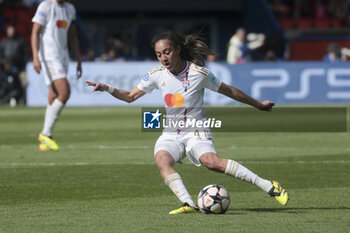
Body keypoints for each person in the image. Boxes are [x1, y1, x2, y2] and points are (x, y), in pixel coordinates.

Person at [87, 31, 289, 214]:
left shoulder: (198, 74)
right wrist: (108, 88)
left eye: (166, 52)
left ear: (177, 49)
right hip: (171, 133)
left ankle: (269, 186)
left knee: (211, 162)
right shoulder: (156, 74)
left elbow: (231, 91)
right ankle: (187, 203)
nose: (163, 58)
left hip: (196, 131)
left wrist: (258, 104)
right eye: (159, 54)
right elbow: (130, 96)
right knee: (162, 160)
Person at [31, 0, 82, 151]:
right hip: (49, 56)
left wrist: (78, 60)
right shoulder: (45, 6)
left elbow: (72, 36)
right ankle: (45, 134)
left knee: (53, 94)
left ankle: (45, 140)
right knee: (64, 92)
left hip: (63, 56)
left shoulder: (70, 9)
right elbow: (35, 32)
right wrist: (35, 56)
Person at [0, 24, 28, 104]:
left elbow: (25, 55)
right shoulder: (4, 42)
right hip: (5, 70)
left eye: (12, 30)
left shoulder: (20, 41)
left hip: (19, 69)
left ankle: (22, 101)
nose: (11, 32)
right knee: (6, 85)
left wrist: (21, 67)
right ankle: (4, 100)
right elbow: (1, 55)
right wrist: (4, 64)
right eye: (9, 30)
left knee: (23, 84)